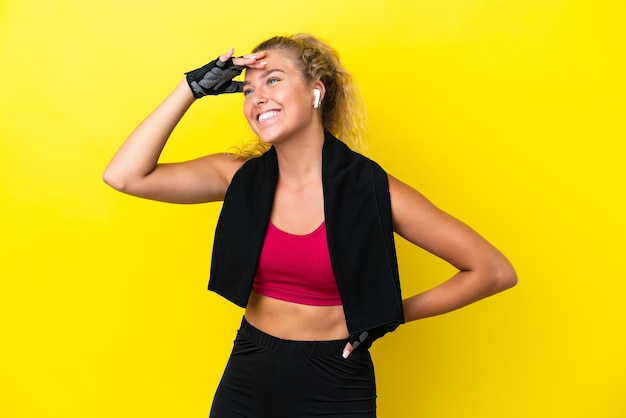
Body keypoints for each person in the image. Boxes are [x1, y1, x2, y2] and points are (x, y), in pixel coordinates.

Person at [103, 33, 517, 418]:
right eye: (248, 90)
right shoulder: (237, 177)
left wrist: (390, 315)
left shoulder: (373, 189)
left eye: (273, 81)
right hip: (250, 370)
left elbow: (493, 271)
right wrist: (191, 90)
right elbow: (124, 176)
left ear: (315, 91)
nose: (256, 98)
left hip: (336, 382)